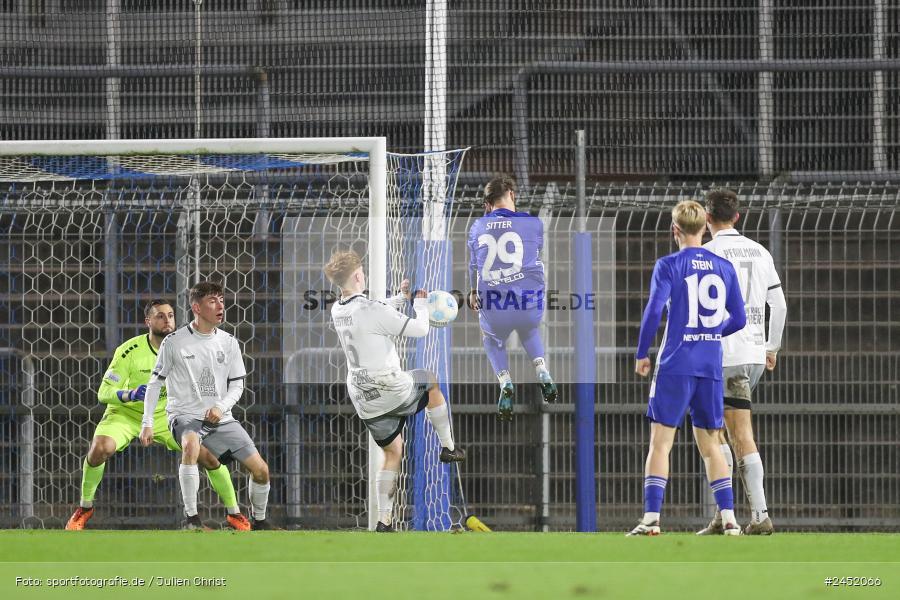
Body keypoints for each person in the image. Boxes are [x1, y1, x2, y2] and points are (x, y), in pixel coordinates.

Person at [65, 299, 248, 531]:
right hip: (126, 414)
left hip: (167, 416)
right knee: (101, 448)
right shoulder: (129, 351)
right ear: (148, 321)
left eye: (170, 315)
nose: (167, 320)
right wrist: (130, 394)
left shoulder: (186, 347)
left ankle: (234, 513)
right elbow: (104, 392)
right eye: (160, 316)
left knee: (209, 456)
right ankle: (85, 507)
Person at [628, 200, 747, 536]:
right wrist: (712, 332)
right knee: (712, 443)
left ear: (674, 230)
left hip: (675, 364)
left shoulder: (668, 265)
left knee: (660, 443)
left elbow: (654, 311)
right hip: (709, 366)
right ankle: (729, 519)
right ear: (705, 227)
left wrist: (642, 352)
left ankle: (652, 519)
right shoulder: (723, 267)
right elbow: (738, 318)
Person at [324, 250, 465, 532]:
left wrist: (401, 298)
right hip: (388, 386)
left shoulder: (338, 309)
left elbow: (375, 310)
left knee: (393, 451)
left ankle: (383, 521)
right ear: (358, 276)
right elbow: (420, 329)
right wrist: (420, 305)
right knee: (431, 382)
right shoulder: (371, 310)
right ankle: (448, 448)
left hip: (363, 397)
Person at [140, 282, 273, 530]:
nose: (220, 306)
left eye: (221, 300)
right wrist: (147, 423)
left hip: (221, 418)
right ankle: (192, 520)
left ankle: (260, 521)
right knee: (190, 445)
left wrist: (220, 407)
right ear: (197, 308)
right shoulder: (174, 342)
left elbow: (238, 385)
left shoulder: (229, 342)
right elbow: (155, 383)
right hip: (185, 415)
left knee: (261, 470)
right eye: (212, 301)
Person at [697, 189, 787, 536]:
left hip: (721, 354)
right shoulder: (760, 251)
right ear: (736, 217)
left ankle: (743, 514)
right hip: (753, 355)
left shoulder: (706, 254)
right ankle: (739, 514)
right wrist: (771, 347)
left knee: (717, 433)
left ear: (708, 218)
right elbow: (779, 306)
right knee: (733, 431)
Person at [467, 175, 557, 420]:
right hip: (528, 303)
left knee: (491, 338)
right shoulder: (533, 223)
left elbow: (474, 266)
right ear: (512, 195)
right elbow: (535, 249)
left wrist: (473, 292)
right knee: (529, 329)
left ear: (487, 205)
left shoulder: (477, 227)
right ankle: (542, 370)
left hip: (495, 307)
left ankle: (505, 381)